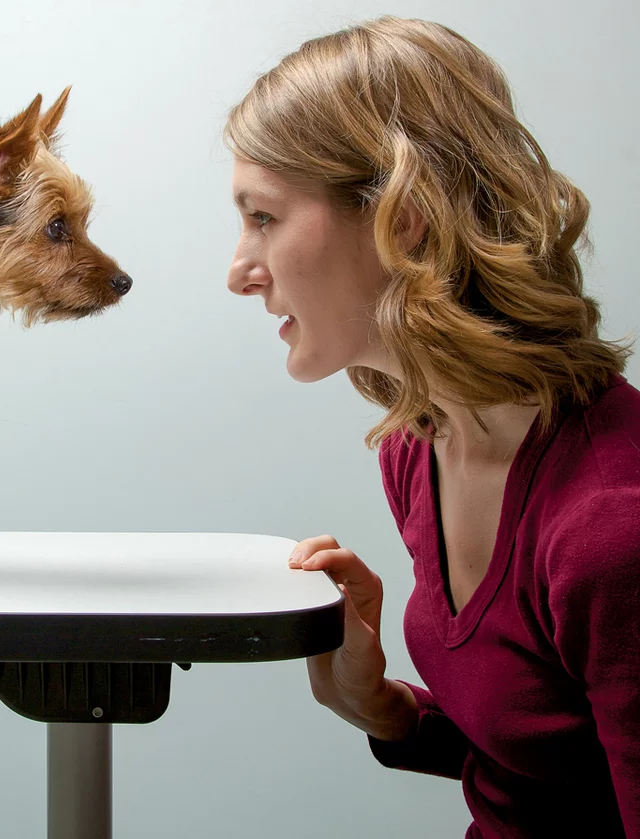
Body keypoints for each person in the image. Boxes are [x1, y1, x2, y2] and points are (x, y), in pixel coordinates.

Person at [224, 16, 640, 838]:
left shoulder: (612, 530)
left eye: (263, 216)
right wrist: (383, 709)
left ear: (404, 217)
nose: (239, 270)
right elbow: (551, 769)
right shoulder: (419, 449)